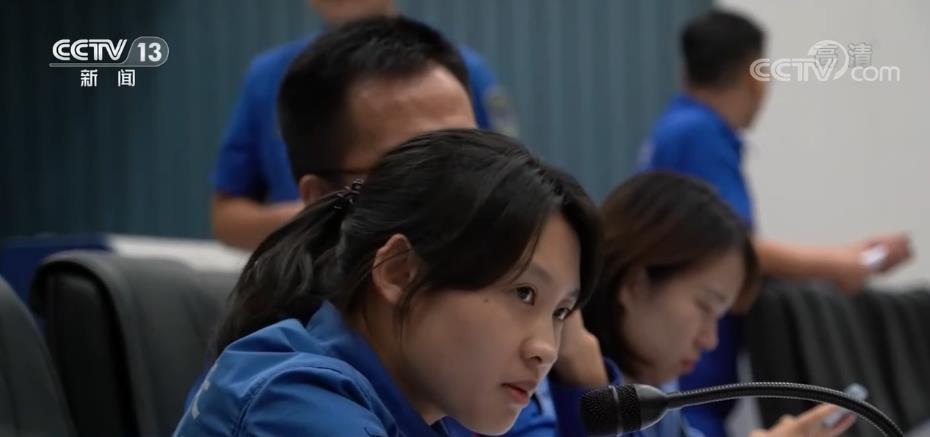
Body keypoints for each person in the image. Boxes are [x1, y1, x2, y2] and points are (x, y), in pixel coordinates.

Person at [174, 128, 602, 436]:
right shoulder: (295, 403)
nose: (546, 349)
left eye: (561, 311)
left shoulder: (429, 412)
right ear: (399, 272)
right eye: (524, 293)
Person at [637, 10, 912, 435]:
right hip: (692, 383)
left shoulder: (676, 129)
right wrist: (843, 263)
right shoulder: (699, 134)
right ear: (755, 76)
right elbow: (737, 248)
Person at [211, 0, 516, 250]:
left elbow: (509, 190)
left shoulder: (455, 71)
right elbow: (226, 215)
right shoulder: (269, 76)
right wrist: (315, 218)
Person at [581, 171, 857, 437]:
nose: (710, 340)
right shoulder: (564, 389)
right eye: (705, 307)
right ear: (635, 285)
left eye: (719, 317)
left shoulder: (656, 392)